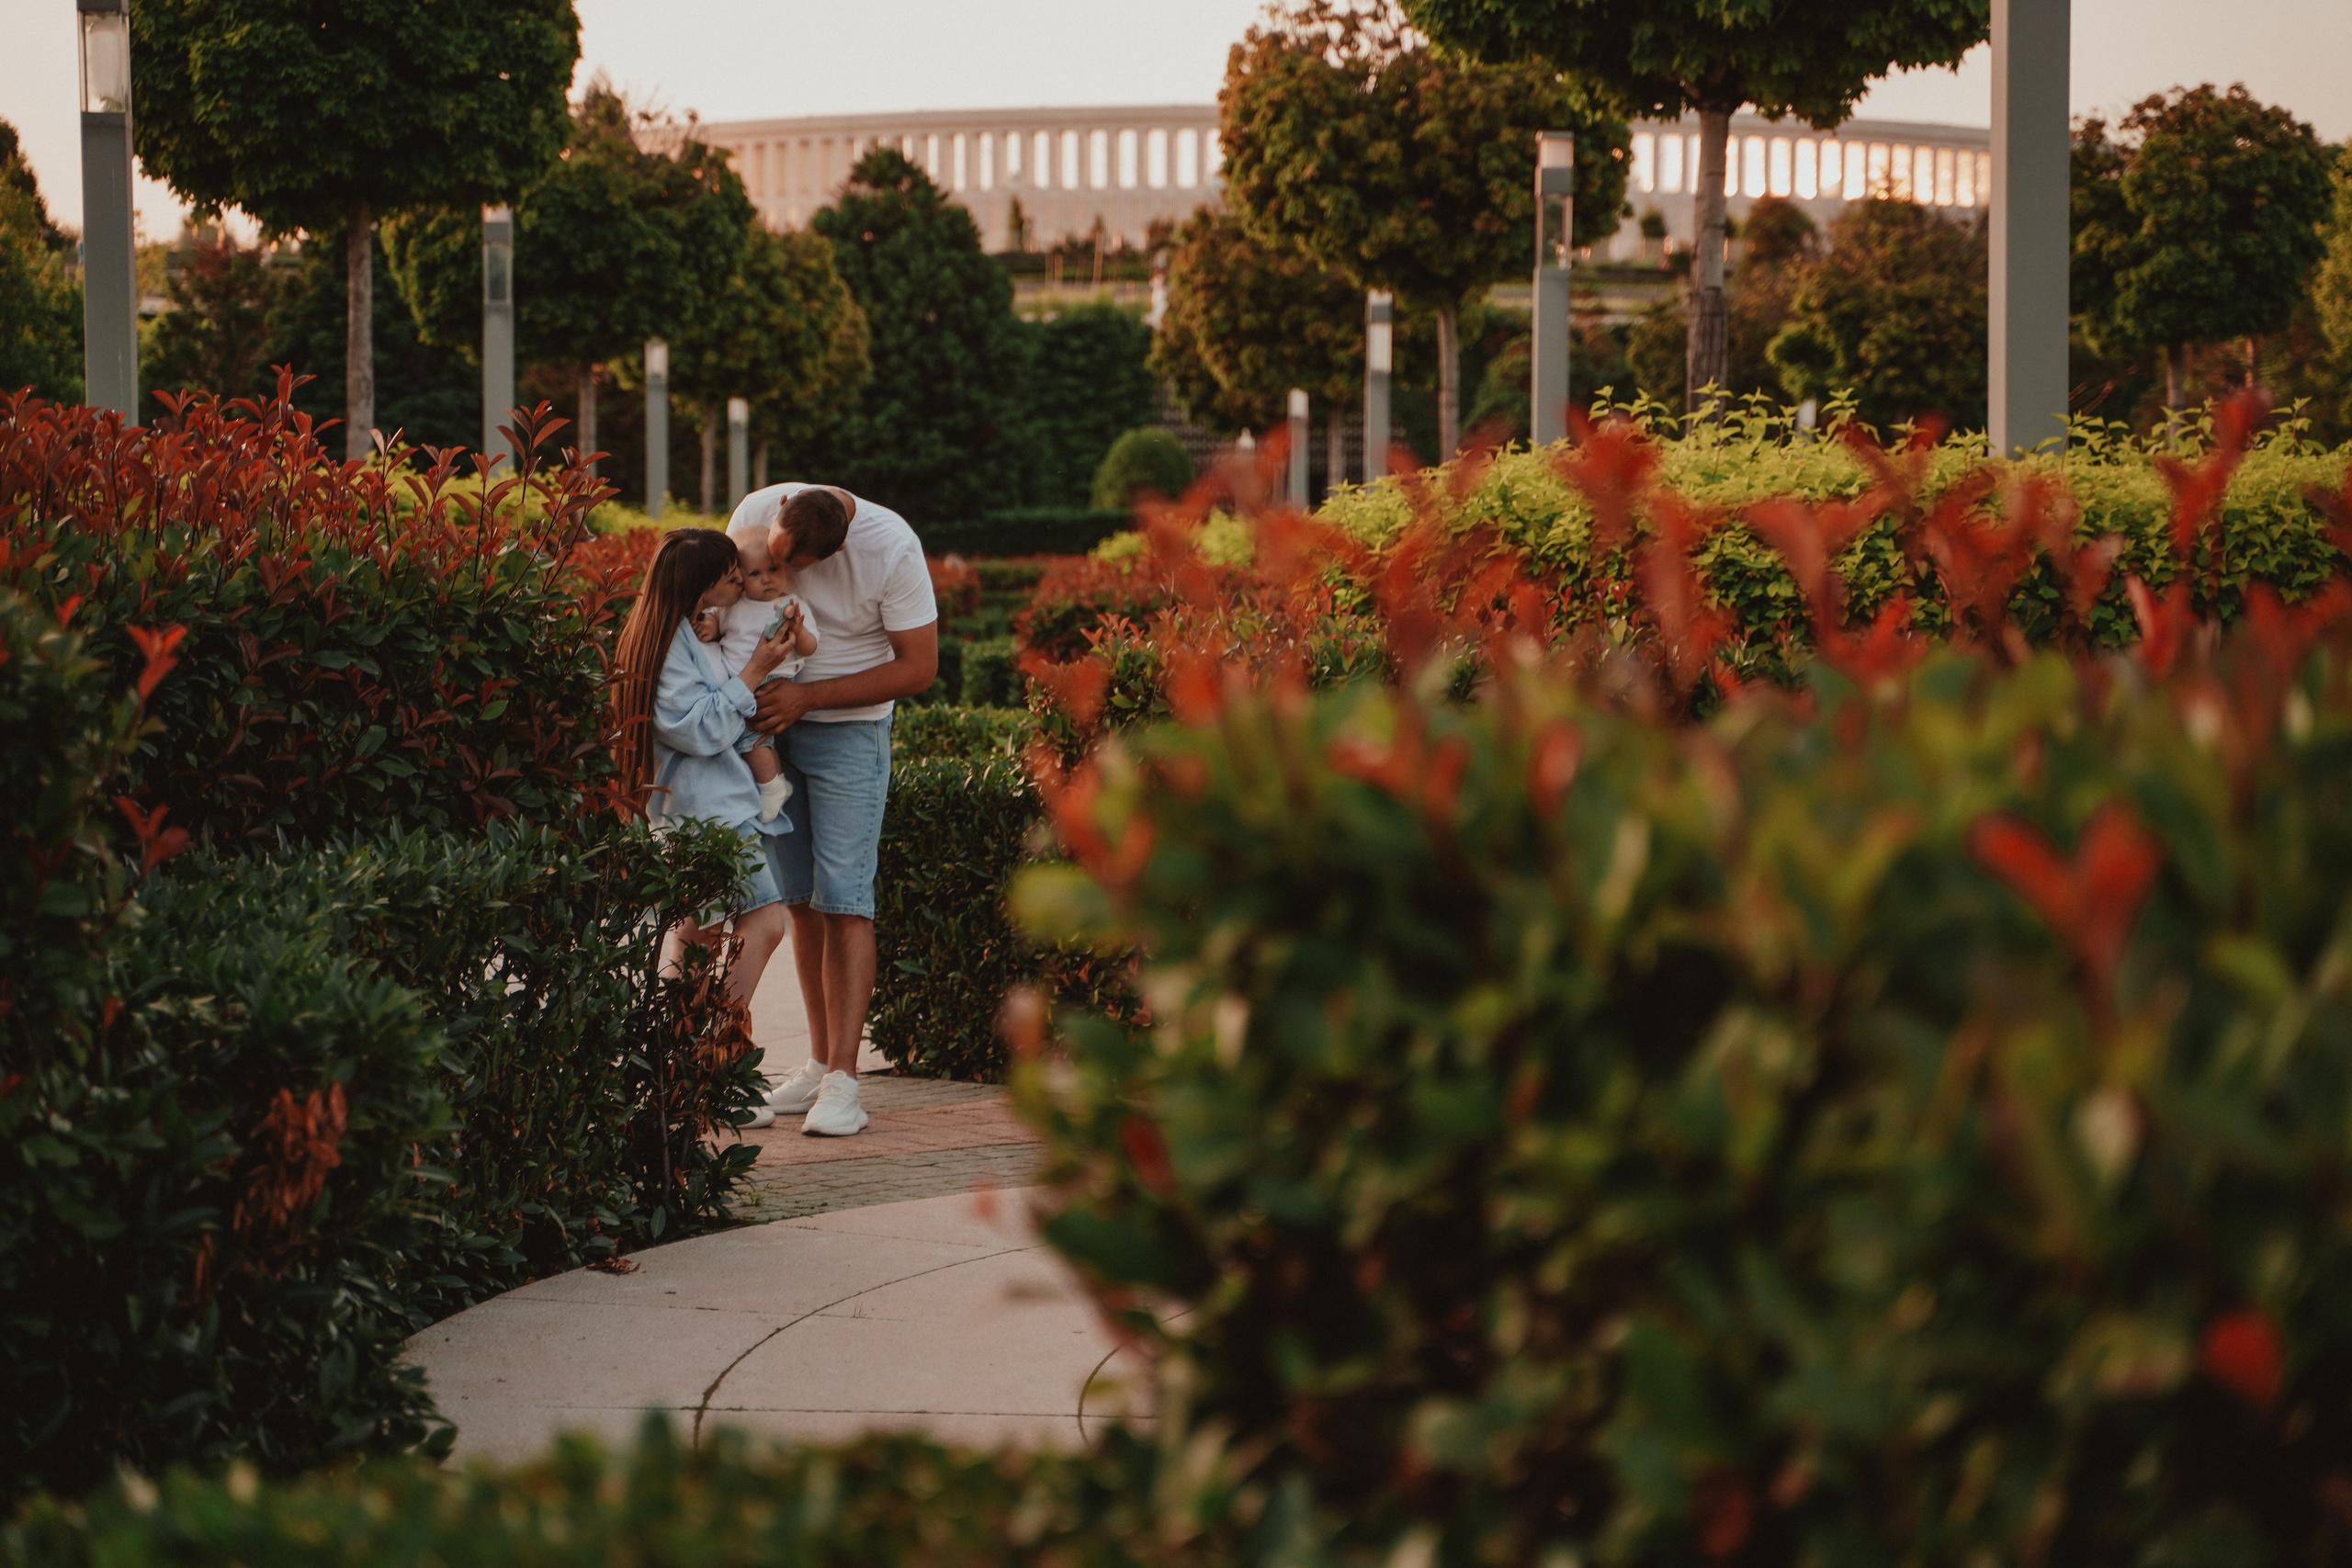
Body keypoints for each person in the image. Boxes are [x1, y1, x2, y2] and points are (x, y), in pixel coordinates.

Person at [726, 482, 938, 1138]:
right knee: (798, 900)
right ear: (780, 509)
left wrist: (809, 699)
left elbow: (919, 668)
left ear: (834, 551)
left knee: (846, 899)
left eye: (799, 566)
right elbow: (718, 603)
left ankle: (847, 1080)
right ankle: (818, 1063)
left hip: (851, 731)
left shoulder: (893, 549)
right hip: (769, 727)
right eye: (779, 559)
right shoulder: (756, 511)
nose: (786, 575)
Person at [608, 526, 805, 1131]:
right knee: (767, 921)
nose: (738, 582)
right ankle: (713, 1065)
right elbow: (700, 731)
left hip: (700, 809)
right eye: (727, 574)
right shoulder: (668, 646)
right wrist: (756, 669)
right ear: (701, 582)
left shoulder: (679, 635)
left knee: (693, 936)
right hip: (708, 816)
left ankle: (670, 1065)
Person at [697, 518, 819, 822]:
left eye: (773, 570)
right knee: (743, 738)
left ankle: (772, 786)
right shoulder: (731, 605)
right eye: (755, 573)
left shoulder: (792, 603)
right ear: (738, 577)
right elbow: (716, 624)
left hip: (771, 681)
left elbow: (810, 648)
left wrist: (799, 632)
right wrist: (710, 627)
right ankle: (769, 782)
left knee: (752, 737)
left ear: (785, 569)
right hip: (735, 683)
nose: (766, 579)